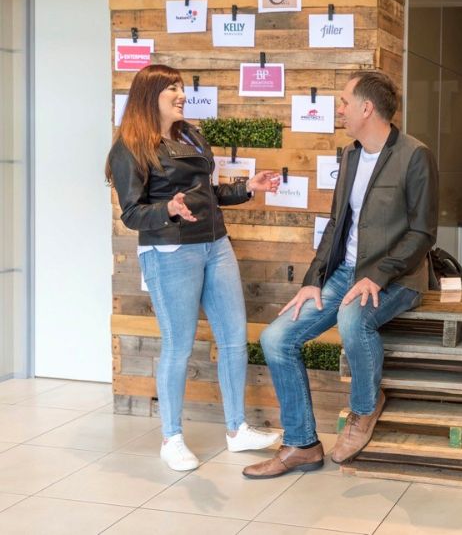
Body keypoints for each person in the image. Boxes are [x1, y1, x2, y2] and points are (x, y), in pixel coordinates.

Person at [243, 70, 438, 479]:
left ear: (367, 108)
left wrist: (378, 276)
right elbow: (336, 225)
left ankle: (364, 410)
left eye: (345, 101)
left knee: (353, 318)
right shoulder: (350, 155)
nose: (340, 109)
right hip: (344, 273)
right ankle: (301, 444)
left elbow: (423, 233)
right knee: (275, 338)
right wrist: (313, 280)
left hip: (397, 279)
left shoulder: (414, 155)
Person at [106, 64, 283, 471]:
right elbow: (132, 214)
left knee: (234, 337)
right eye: (172, 88)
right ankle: (171, 438)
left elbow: (210, 194)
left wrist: (248, 188)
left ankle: (237, 430)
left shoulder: (190, 134)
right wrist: (168, 209)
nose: (182, 94)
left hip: (215, 244)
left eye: (182, 87)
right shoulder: (129, 146)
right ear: (150, 96)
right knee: (179, 345)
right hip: (170, 252)